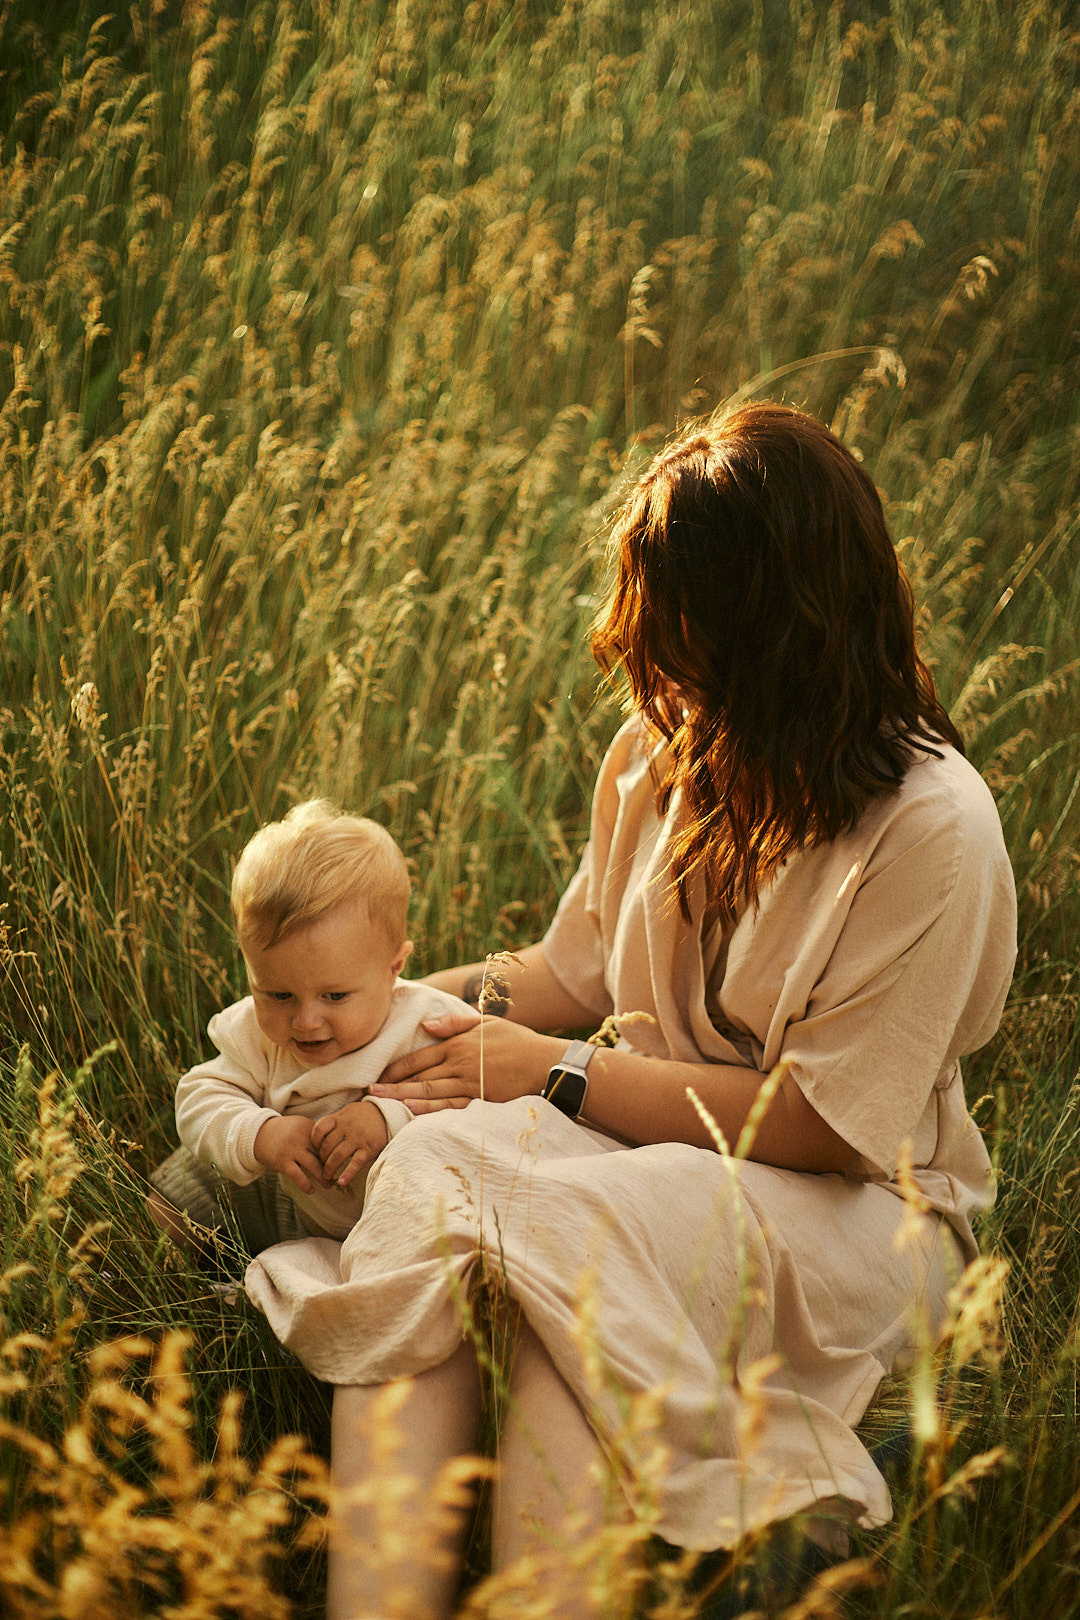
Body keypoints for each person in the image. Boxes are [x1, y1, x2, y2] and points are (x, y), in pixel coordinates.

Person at [244, 403, 1017, 1619]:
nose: (657, 675)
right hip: (647, 1155)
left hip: (862, 1217)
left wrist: (554, 1074)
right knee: (448, 1167)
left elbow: (824, 1127)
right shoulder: (664, 751)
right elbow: (567, 978)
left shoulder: (933, 830)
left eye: (687, 641)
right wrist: (342, 1028)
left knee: (566, 1250)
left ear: (787, 633)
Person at [148, 801, 467, 1251]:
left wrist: (387, 1117)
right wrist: (262, 1134)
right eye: (277, 995)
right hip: (288, 1193)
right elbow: (199, 1097)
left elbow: (475, 1106)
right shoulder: (256, 1037)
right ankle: (159, 1278)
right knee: (177, 1194)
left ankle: (259, 1292)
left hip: (391, 1225)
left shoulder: (427, 1024)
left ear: (393, 968)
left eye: (335, 997)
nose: (305, 1021)